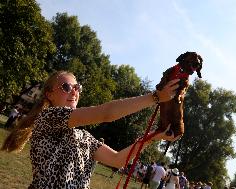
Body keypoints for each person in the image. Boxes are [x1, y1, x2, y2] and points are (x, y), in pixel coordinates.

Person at [1, 71, 181, 189]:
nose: (74, 91)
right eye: (66, 87)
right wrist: (155, 97)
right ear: (49, 94)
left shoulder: (84, 137)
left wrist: (152, 137)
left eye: (77, 87)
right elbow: (106, 113)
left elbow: (117, 160)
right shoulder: (49, 117)